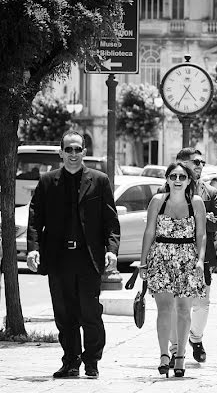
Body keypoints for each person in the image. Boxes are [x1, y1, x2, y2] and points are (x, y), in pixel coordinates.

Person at [26, 130, 120, 379]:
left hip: (88, 258)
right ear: (61, 153)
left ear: (85, 153)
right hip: (58, 258)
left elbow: (111, 220)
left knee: (90, 312)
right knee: (64, 314)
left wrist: (111, 251)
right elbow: (35, 219)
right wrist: (33, 250)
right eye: (69, 149)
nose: (73, 154)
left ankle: (92, 362)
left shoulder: (99, 180)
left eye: (78, 149)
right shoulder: (47, 181)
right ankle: (70, 362)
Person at [140, 162, 207, 378]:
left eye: (182, 177)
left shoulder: (195, 203)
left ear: (189, 181)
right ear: (167, 179)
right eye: (173, 176)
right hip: (160, 256)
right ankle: (163, 355)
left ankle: (180, 355)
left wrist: (200, 260)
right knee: (165, 308)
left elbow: (201, 235)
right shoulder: (157, 201)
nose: (177, 180)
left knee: (184, 309)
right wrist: (143, 262)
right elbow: (149, 232)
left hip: (187, 258)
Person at [173, 148, 217, 364]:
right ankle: (176, 347)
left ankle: (195, 338)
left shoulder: (210, 192)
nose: (200, 165)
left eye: (202, 161)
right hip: (174, 255)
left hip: (201, 257)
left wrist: (195, 219)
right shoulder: (168, 189)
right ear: (181, 162)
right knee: (177, 303)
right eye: (195, 161)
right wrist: (204, 218)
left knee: (202, 304)